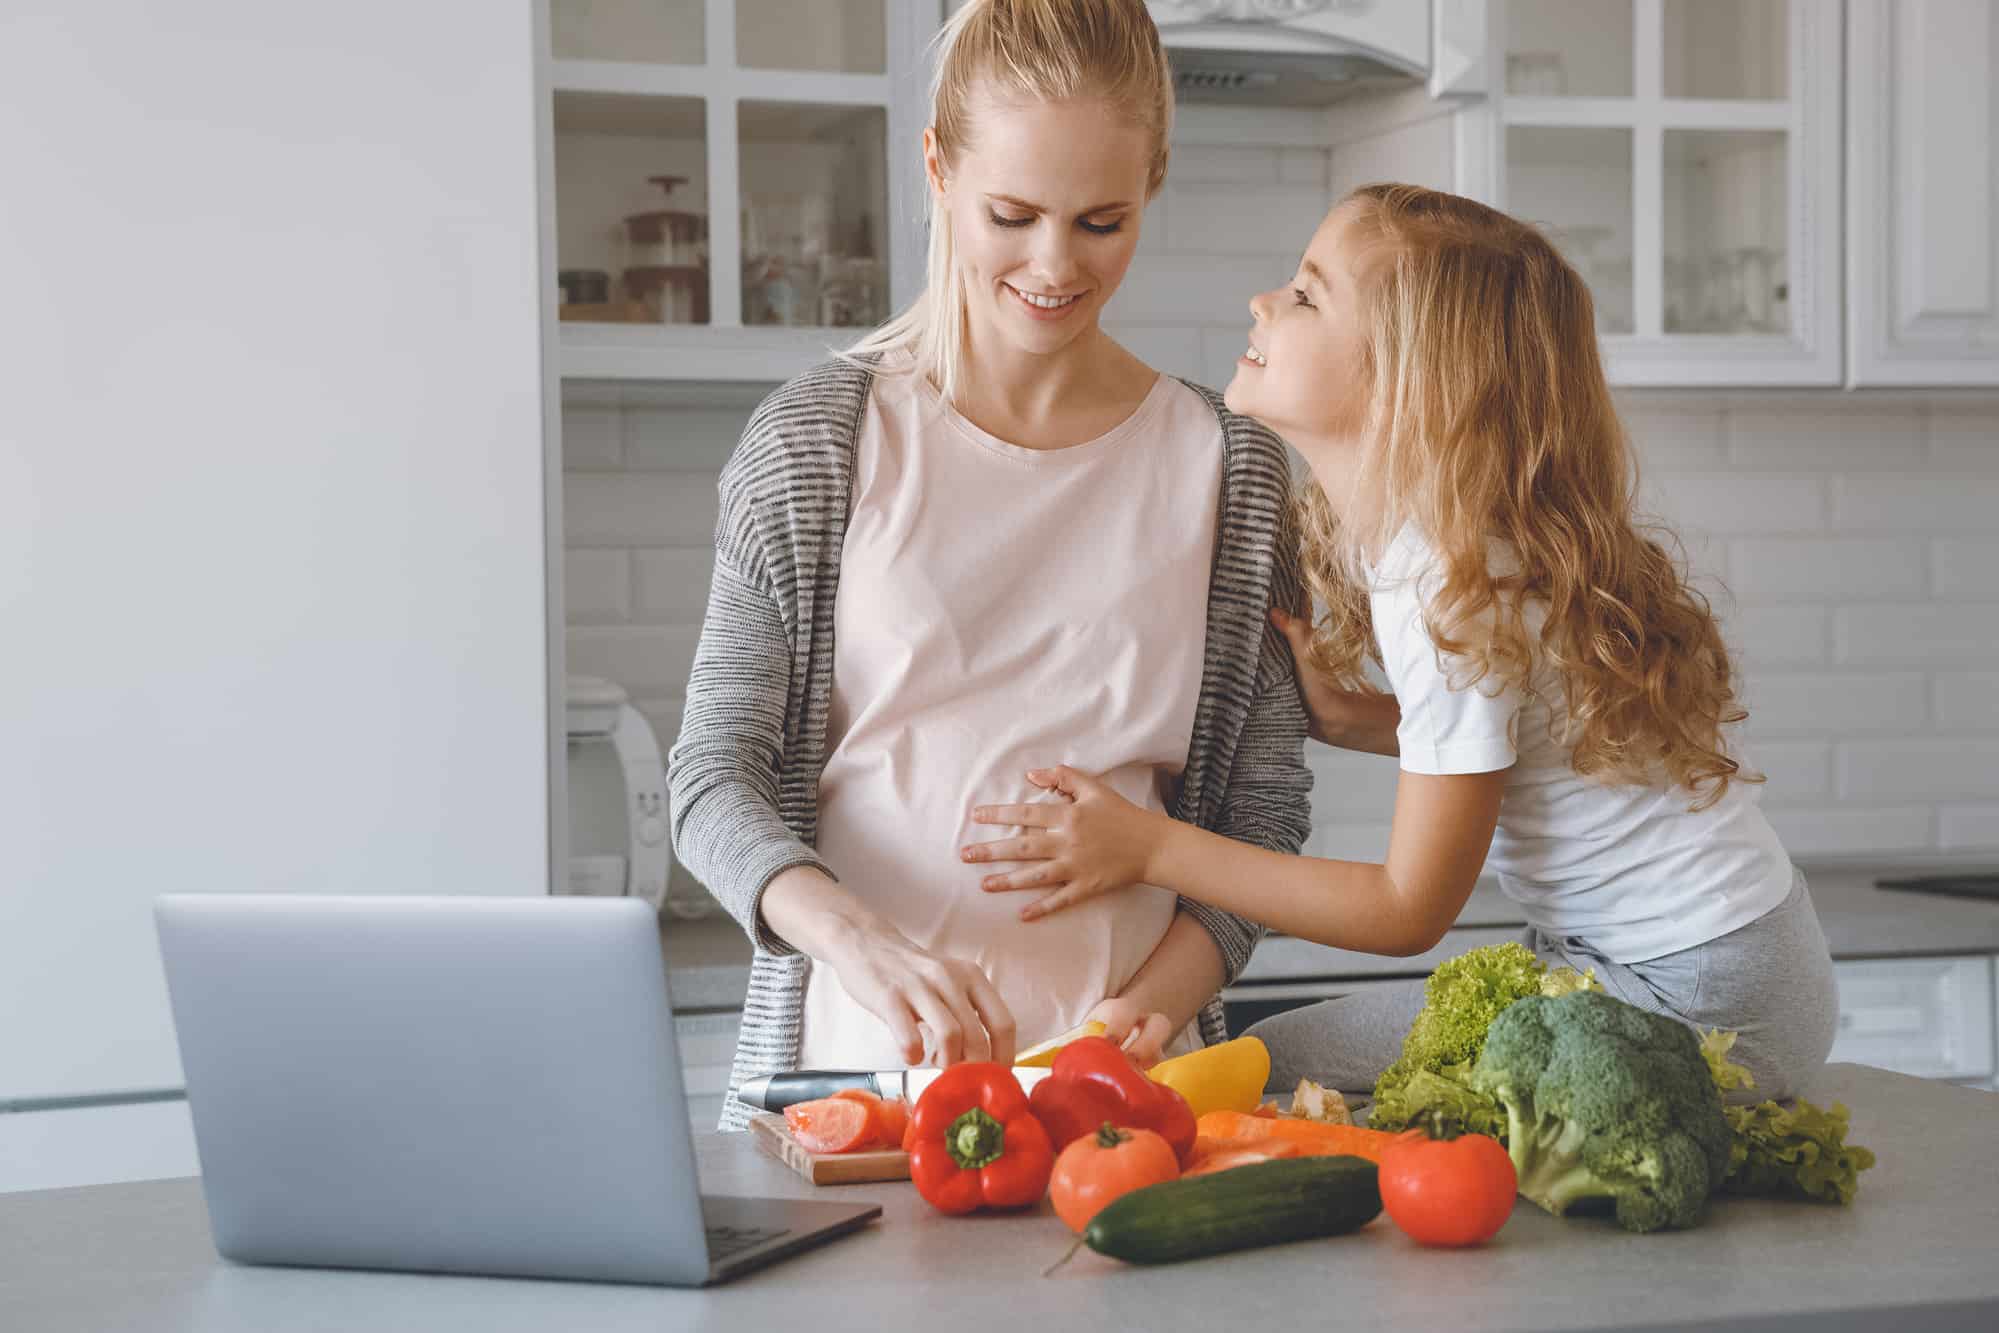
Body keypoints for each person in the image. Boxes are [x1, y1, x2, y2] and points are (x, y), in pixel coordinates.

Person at [962, 184, 1839, 1101]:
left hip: (1696, 997)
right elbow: (1539, 738)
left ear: (1406, 377)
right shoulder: (1463, 550)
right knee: (1275, 1063)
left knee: (1268, 1067)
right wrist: (1363, 720)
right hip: (1736, 961)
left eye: (1306, 296)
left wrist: (1147, 846)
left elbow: (1407, 908)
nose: (1263, 302)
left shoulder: (1442, 581)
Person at [668, 0, 1313, 1130]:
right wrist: (850, 934)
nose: (1054, 266)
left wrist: (1142, 1024)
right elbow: (711, 780)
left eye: (1102, 222)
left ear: (1153, 182)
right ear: (938, 167)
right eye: (1011, 215)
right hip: (847, 1094)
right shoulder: (818, 441)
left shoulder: (1229, 466)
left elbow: (1257, 821)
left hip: (1123, 1111)